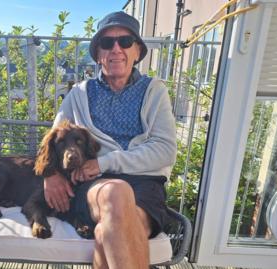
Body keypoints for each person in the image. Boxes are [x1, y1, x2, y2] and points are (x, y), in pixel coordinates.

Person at [43, 11, 177, 269]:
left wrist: (104, 163)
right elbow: (54, 141)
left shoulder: (154, 92)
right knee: (116, 191)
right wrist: (50, 174)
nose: (116, 49)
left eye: (125, 41)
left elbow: (165, 150)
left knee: (108, 232)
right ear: (98, 54)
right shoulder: (79, 94)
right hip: (94, 185)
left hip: (145, 183)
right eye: (107, 43)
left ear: (137, 51)